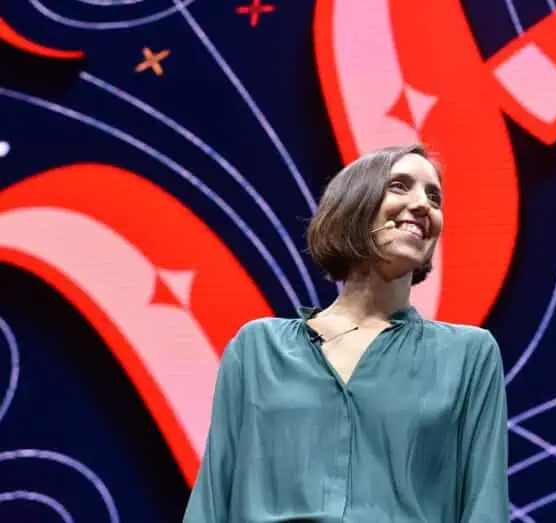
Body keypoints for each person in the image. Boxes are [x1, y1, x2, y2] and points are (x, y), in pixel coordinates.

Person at [183, 144, 509, 522]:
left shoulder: (468, 355)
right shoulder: (258, 349)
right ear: (353, 206)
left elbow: (485, 503)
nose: (424, 205)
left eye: (434, 196)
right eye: (400, 186)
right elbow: (212, 496)